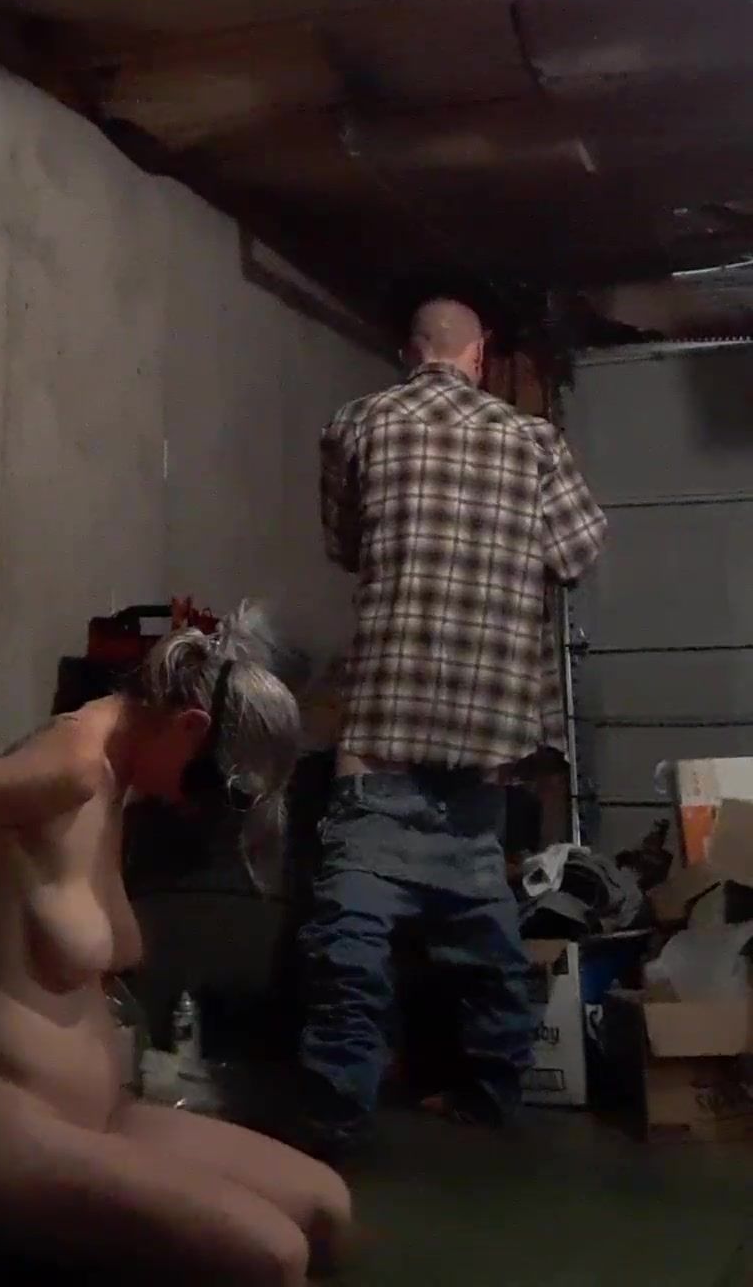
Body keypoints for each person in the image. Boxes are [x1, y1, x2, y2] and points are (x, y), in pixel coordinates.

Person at [0, 604, 352, 1285]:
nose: (195, 808)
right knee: (276, 1258)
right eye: (211, 790)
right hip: (8, 1131)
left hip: (100, 1116)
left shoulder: (115, 783)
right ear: (191, 728)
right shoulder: (68, 767)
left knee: (327, 1209)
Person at [298, 299, 606, 1153]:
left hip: (384, 735)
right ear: (479, 355)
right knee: (488, 937)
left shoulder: (357, 423)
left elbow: (348, 545)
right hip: (486, 741)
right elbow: (579, 551)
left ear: (411, 353)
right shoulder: (533, 440)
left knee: (351, 941)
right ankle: (493, 1095)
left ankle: (336, 1120)